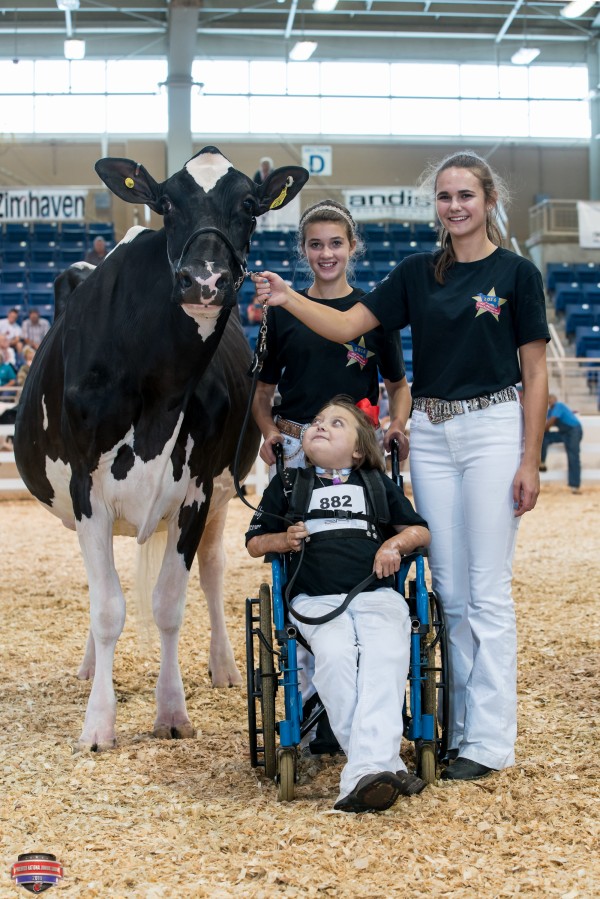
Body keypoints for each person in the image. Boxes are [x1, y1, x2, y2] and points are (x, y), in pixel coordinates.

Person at [252, 150, 550, 782]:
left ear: (489, 200)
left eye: (465, 195)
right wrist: (285, 297)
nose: (455, 207)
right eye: (444, 197)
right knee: (448, 586)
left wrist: (530, 458)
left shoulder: (518, 273)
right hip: (435, 436)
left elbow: (536, 369)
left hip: (495, 427)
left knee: (487, 588)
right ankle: (459, 730)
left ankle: (490, 740)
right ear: (435, 206)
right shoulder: (418, 274)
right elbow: (342, 327)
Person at [246, 397, 430, 812]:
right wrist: (282, 540)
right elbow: (255, 542)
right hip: (313, 599)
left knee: (386, 654)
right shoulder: (288, 485)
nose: (320, 425)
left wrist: (394, 544)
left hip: (376, 594)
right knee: (335, 655)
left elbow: (421, 532)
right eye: (315, 421)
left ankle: (363, 773)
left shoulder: (376, 484)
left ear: (360, 450)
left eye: (336, 423)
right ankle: (378, 764)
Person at [252, 199, 411, 474]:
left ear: (352, 245)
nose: (326, 253)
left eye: (336, 243)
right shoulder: (281, 310)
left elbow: (398, 387)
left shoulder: (374, 311)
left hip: (357, 447)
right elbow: (262, 393)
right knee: (292, 520)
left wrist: (396, 425)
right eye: (316, 244)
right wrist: (269, 431)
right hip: (294, 448)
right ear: (304, 249)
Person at [540, 394, 583, 493]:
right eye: (548, 399)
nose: (549, 400)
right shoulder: (550, 411)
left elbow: (549, 423)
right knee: (544, 437)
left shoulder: (558, 406)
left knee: (573, 457)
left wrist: (541, 430)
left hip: (574, 431)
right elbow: (545, 424)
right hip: (564, 433)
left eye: (551, 398)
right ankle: (542, 462)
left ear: (555, 399)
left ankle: (575, 485)